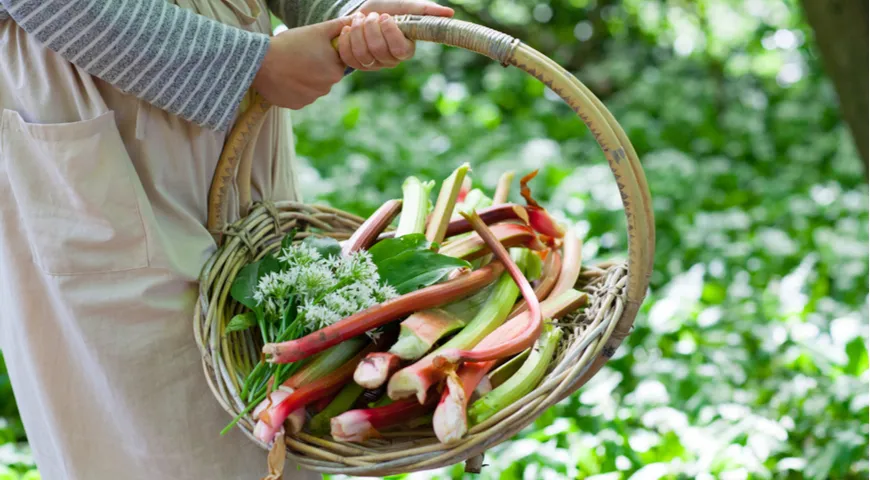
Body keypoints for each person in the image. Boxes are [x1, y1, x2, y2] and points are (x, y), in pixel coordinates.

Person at [0, 0, 453, 478]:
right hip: (97, 80)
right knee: (156, 433)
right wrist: (243, 64)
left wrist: (345, 11)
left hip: (241, 85)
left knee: (271, 407)